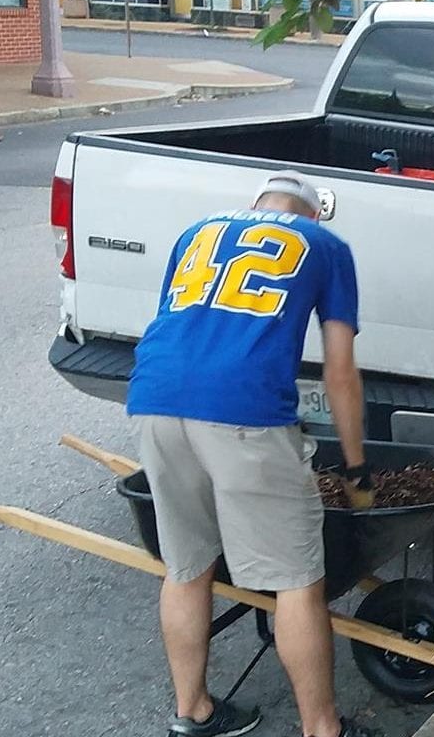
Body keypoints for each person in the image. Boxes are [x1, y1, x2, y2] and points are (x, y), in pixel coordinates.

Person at [127, 171, 377, 737]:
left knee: (187, 567)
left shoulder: (198, 231)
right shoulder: (326, 245)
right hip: (245, 412)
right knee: (295, 582)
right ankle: (322, 729)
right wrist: (357, 467)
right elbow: (339, 371)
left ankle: (191, 713)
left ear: (256, 204)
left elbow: (185, 322)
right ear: (314, 214)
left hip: (154, 396)